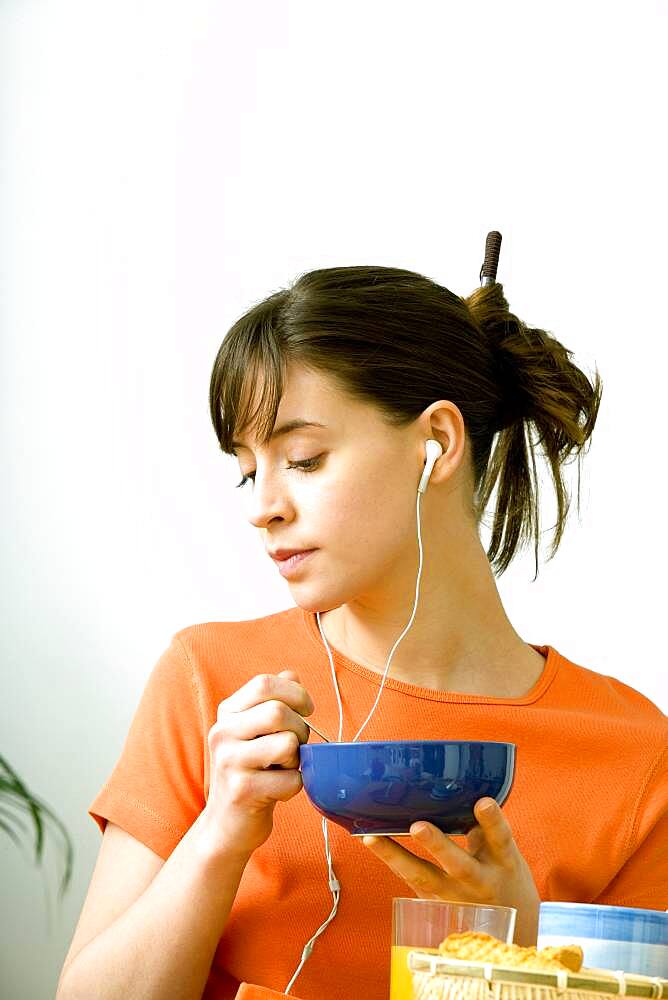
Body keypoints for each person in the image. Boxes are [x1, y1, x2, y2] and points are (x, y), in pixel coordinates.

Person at [57, 266, 668, 1000]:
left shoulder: (636, 758)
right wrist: (219, 834)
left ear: (437, 444)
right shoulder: (216, 685)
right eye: (251, 473)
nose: (265, 507)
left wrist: (519, 954)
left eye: (304, 459)